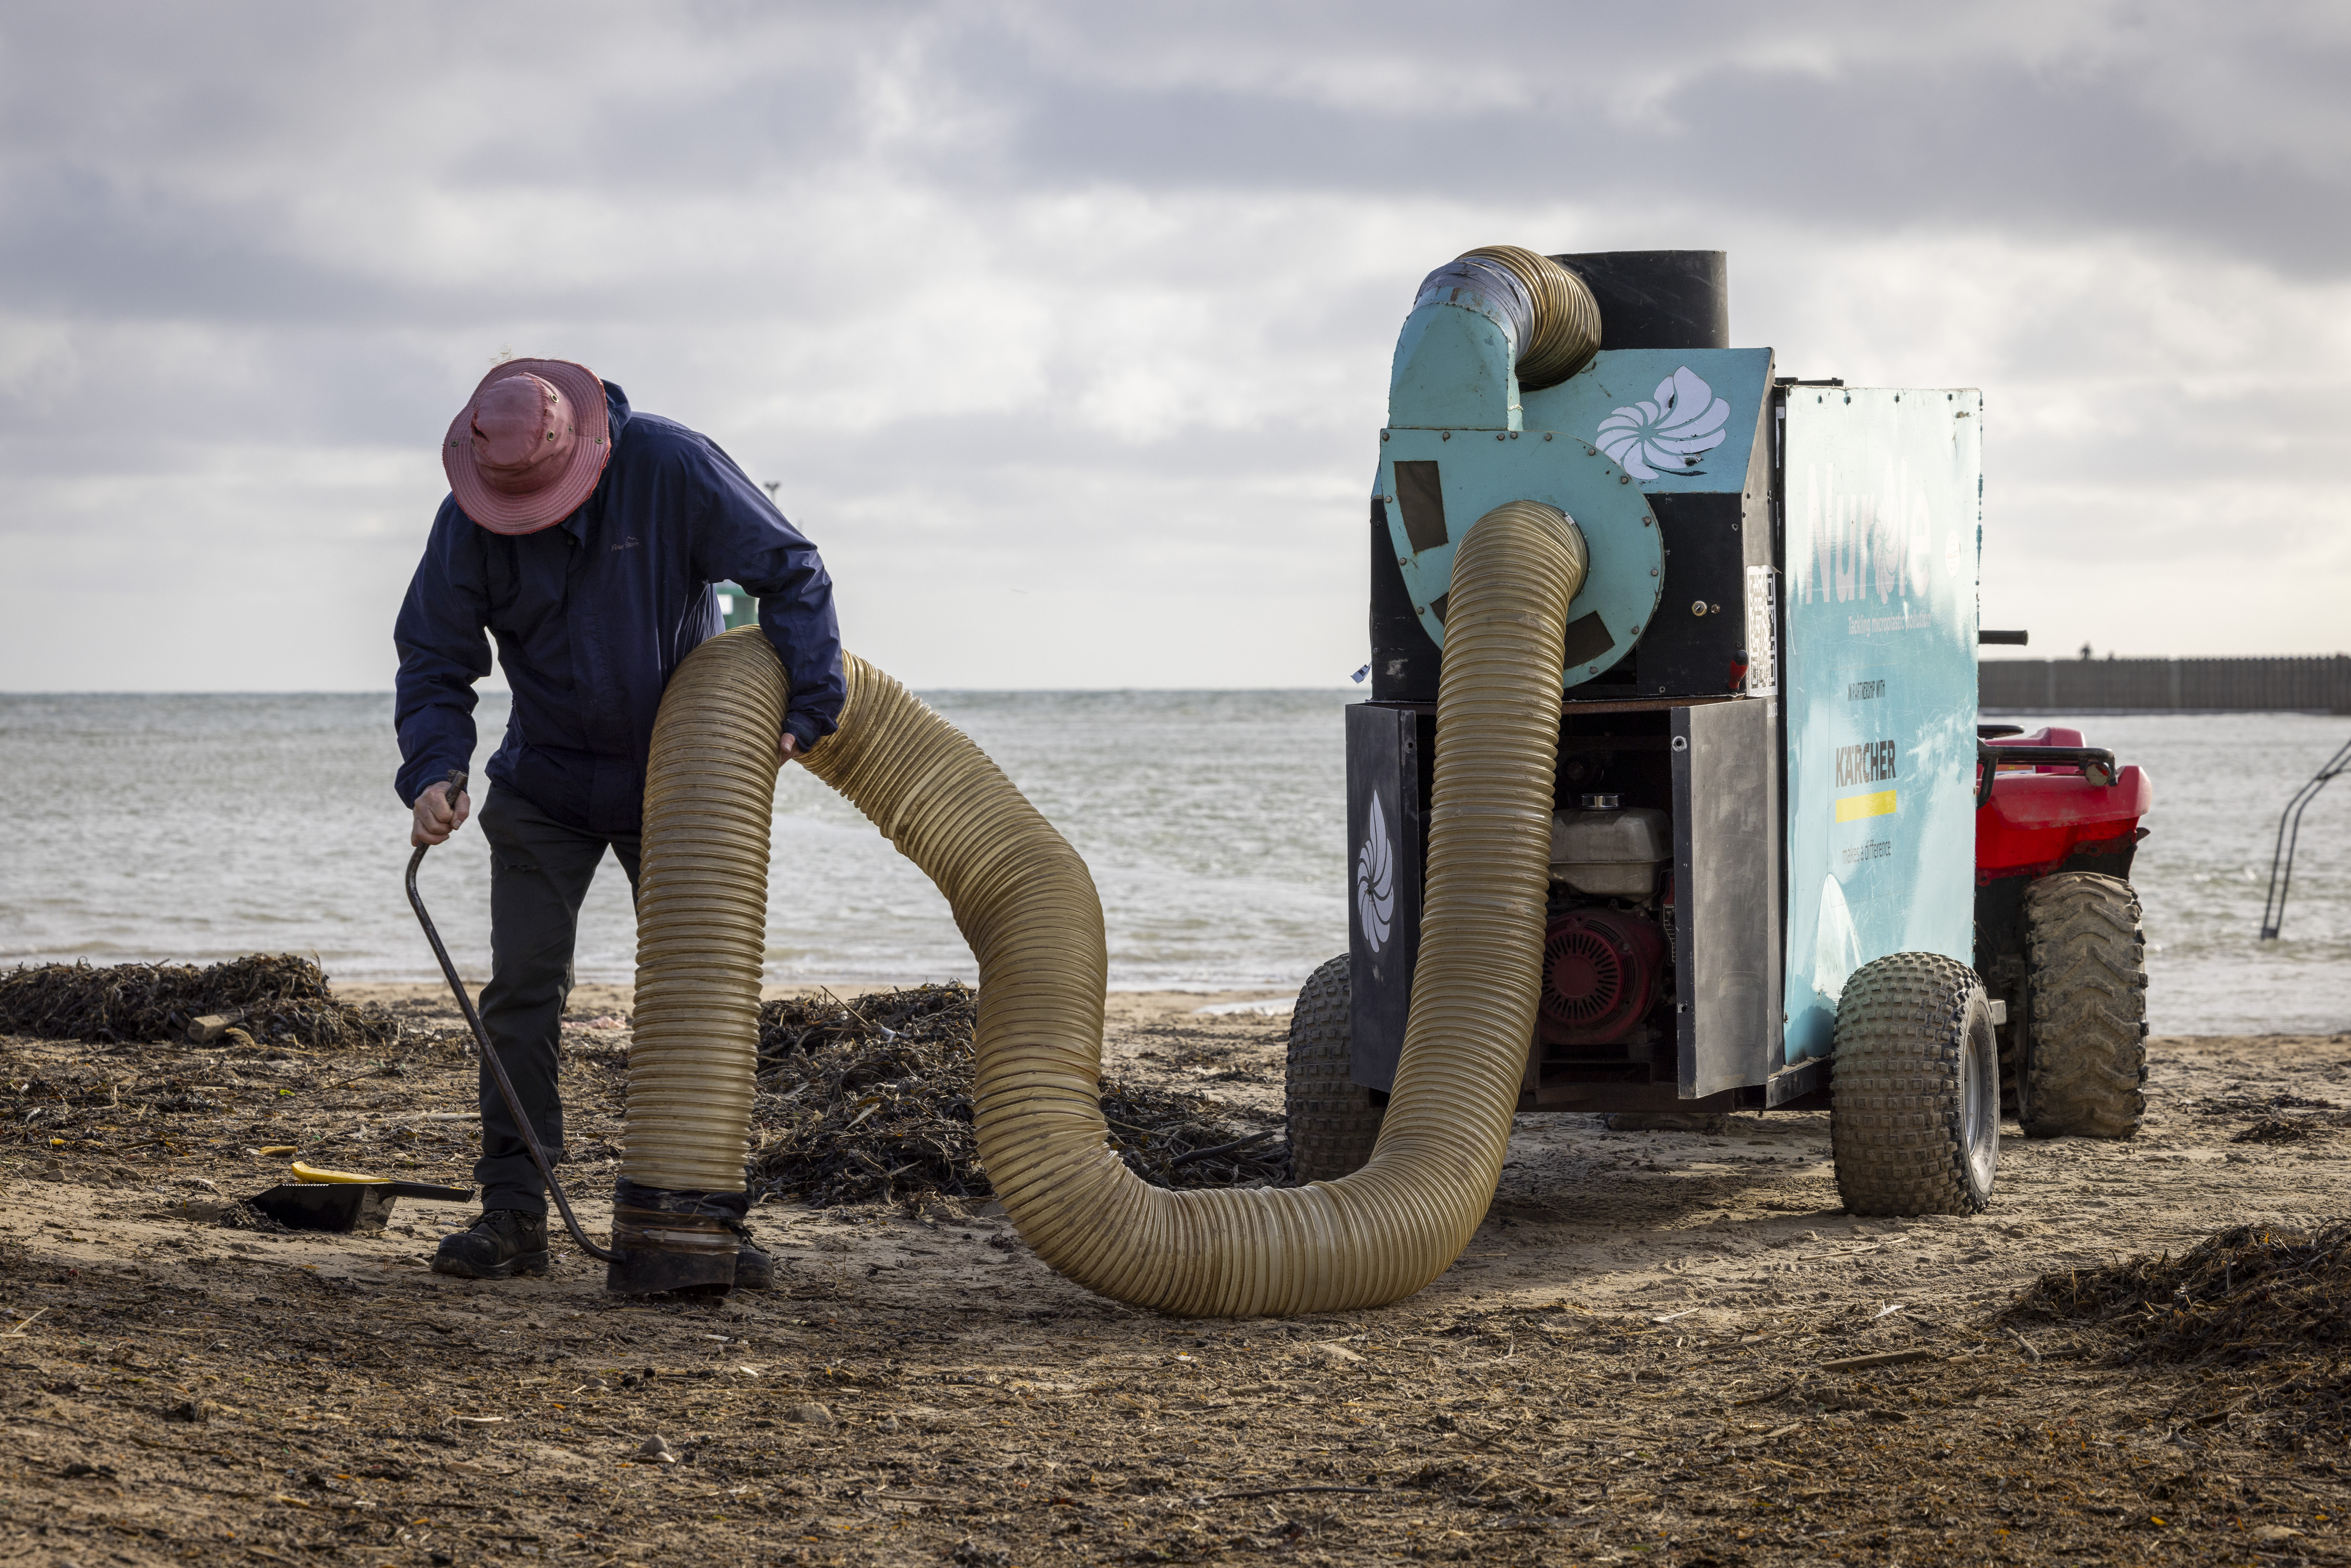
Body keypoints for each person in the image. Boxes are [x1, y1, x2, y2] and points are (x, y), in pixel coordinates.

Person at [395, 358, 842, 1283]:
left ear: (581, 451)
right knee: (522, 992)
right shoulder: (468, 518)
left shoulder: (671, 466)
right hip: (544, 782)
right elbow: (435, 655)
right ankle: (516, 1215)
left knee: (701, 998)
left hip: (681, 781)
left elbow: (791, 569)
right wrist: (435, 770)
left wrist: (810, 706)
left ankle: (705, 1213)